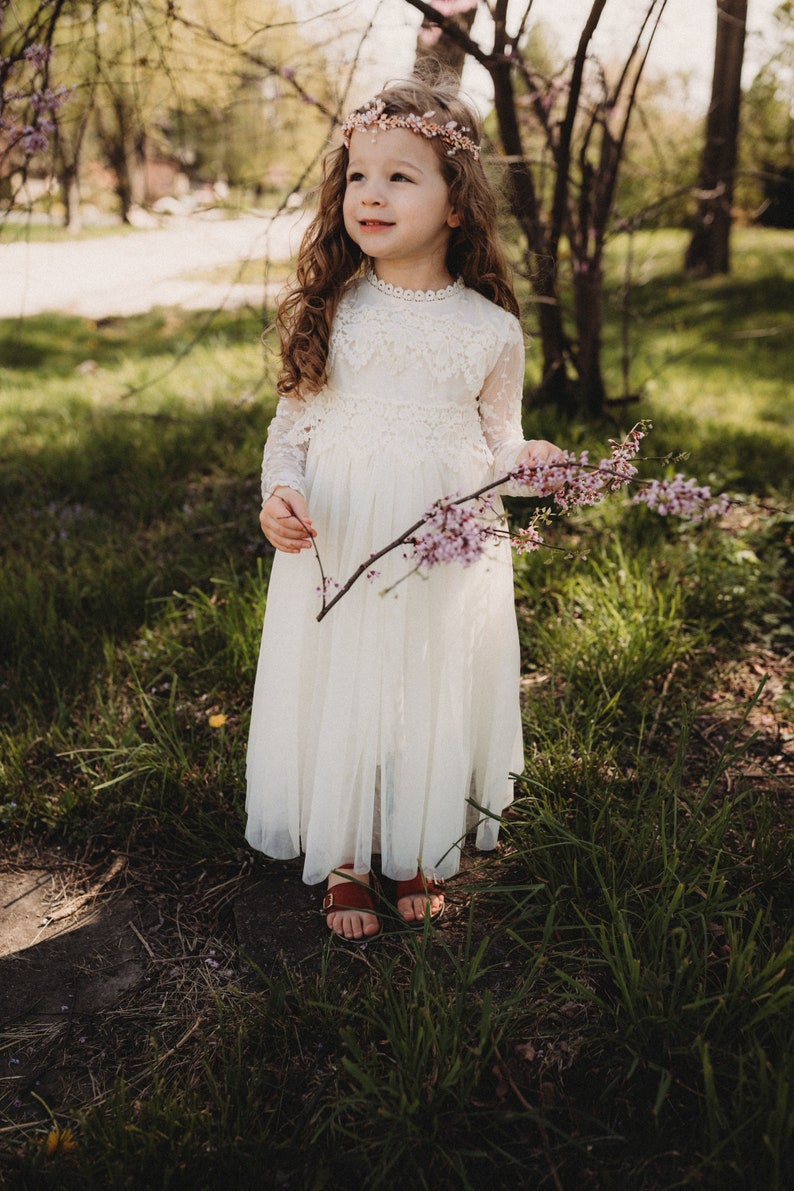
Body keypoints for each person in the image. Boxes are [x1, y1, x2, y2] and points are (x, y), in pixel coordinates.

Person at [245, 77, 563, 941]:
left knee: (426, 674)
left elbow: (500, 445)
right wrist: (282, 493)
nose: (372, 194)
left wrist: (529, 463)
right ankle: (345, 856)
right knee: (342, 675)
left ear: (456, 203)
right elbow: (291, 432)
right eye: (357, 176)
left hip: (443, 544)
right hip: (341, 533)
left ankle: (415, 840)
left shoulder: (491, 328)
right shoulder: (332, 309)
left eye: (400, 177)